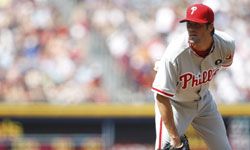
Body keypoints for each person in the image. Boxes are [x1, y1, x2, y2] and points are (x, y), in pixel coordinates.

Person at [152, 3, 235, 150]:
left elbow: (222, 64)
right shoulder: (174, 55)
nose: (191, 29)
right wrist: (175, 138)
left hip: (204, 102)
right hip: (176, 104)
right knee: (165, 148)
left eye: (197, 25)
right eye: (189, 24)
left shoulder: (226, 45)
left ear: (210, 27)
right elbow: (161, 97)